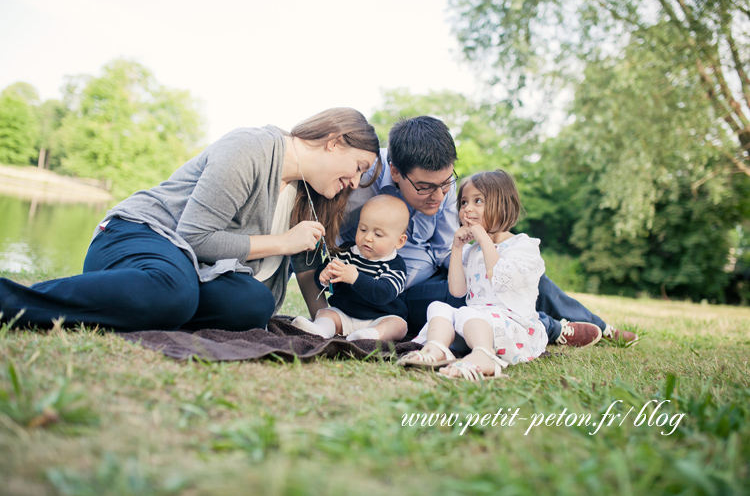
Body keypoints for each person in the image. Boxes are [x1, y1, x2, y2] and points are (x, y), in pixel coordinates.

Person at [0, 108, 380, 332]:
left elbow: (306, 269)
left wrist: (324, 319)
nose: (355, 182)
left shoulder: (311, 195)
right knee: (173, 293)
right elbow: (195, 237)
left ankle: (147, 302)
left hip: (191, 271)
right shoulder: (251, 148)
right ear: (334, 141)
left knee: (252, 304)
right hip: (142, 235)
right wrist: (282, 243)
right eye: (359, 167)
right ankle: (11, 299)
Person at [295, 116, 637, 348]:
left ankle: (600, 326)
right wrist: (325, 310)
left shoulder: (442, 185)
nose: (440, 196)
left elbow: (445, 249)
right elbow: (316, 246)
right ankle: (547, 327)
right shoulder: (356, 186)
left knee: (507, 271)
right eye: (426, 187)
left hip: (442, 271)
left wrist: (484, 258)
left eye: (447, 184)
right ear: (396, 172)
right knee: (461, 301)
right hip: (395, 291)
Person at [398, 170, 547, 380]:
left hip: (513, 330)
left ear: (503, 204)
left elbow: (500, 278)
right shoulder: (472, 250)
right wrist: (458, 248)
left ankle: (484, 355)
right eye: (464, 202)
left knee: (469, 313)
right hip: (476, 325)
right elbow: (457, 291)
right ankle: (437, 348)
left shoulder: (522, 245)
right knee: (438, 307)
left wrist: (483, 238)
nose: (467, 209)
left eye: (478, 201)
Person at [291, 194, 410, 342]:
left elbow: (383, 294)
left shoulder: (395, 266)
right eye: (363, 229)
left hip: (379, 319)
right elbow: (327, 277)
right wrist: (324, 276)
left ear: (399, 241)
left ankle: (369, 336)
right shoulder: (346, 252)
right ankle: (319, 330)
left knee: (399, 326)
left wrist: (356, 278)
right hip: (344, 314)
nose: (368, 238)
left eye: (378, 234)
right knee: (326, 313)